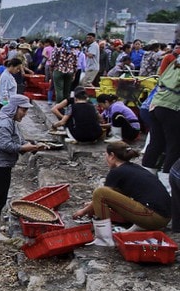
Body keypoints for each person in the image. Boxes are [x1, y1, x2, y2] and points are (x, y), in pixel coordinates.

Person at [72, 142, 171, 246]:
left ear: (112, 156)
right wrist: (92, 204)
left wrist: (83, 211)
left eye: (106, 155)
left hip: (154, 217)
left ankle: (104, 239)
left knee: (100, 192)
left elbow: (102, 195)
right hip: (165, 217)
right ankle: (139, 226)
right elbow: (116, 194)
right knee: (103, 194)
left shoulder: (116, 172)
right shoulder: (133, 168)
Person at [0, 95, 46, 243]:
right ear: (15, 108)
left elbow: (18, 140)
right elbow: (5, 145)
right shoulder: (5, 123)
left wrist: (31, 145)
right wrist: (25, 148)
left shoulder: (11, 121)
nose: (25, 114)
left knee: (0, 195)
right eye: (23, 110)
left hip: (2, 164)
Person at [141, 51, 180, 183]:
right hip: (172, 107)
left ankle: (146, 179)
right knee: (174, 146)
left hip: (157, 104)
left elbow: (162, 77)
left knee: (156, 143)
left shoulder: (176, 61)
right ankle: (167, 185)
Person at [50, 38, 78, 104]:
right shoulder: (74, 52)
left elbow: (53, 62)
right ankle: (65, 105)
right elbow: (75, 64)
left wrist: (51, 70)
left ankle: (59, 105)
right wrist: (74, 74)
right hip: (69, 72)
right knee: (67, 90)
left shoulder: (57, 50)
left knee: (59, 90)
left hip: (58, 70)